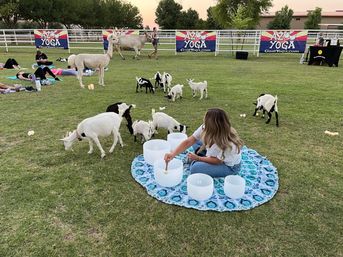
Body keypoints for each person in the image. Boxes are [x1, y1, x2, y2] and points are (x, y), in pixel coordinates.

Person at [164, 108, 243, 178]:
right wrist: (173, 154)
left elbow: (217, 161)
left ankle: (201, 156)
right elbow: (190, 141)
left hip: (227, 166)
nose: (204, 121)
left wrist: (198, 158)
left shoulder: (228, 144)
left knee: (195, 168)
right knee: (195, 142)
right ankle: (203, 155)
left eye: (205, 121)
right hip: (214, 155)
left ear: (212, 126)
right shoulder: (205, 127)